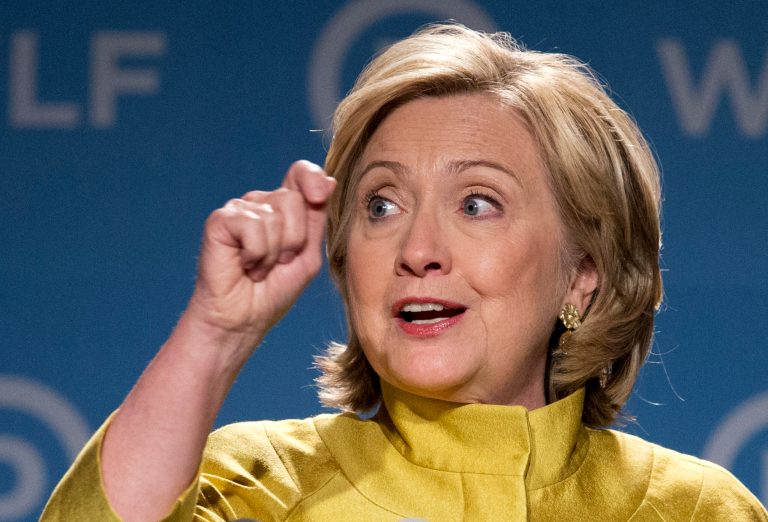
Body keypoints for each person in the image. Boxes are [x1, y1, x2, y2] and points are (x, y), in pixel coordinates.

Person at [43, 24, 767, 521]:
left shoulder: (698, 509)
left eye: (477, 204)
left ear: (583, 272)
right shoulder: (257, 486)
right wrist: (216, 330)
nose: (418, 249)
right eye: (382, 205)